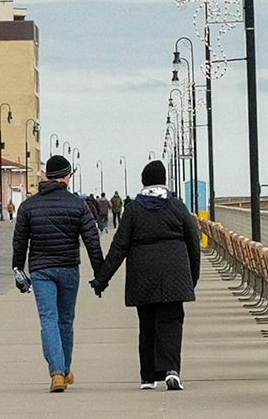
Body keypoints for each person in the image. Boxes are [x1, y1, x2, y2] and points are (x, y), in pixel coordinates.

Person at [90, 161, 200, 391]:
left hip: (143, 272)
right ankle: (172, 370)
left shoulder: (133, 210)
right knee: (171, 321)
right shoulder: (177, 206)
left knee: (147, 323)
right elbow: (193, 242)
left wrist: (102, 279)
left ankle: (148, 376)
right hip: (174, 272)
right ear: (164, 179)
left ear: (143, 181)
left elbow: (119, 247)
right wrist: (192, 276)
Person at [13, 155, 104, 393]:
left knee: (48, 320)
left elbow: (20, 241)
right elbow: (91, 240)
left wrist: (17, 268)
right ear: (66, 177)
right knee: (66, 320)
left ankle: (57, 372)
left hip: (41, 270)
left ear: (46, 176)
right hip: (68, 268)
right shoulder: (77, 204)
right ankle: (62, 371)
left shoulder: (28, 206)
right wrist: (100, 274)